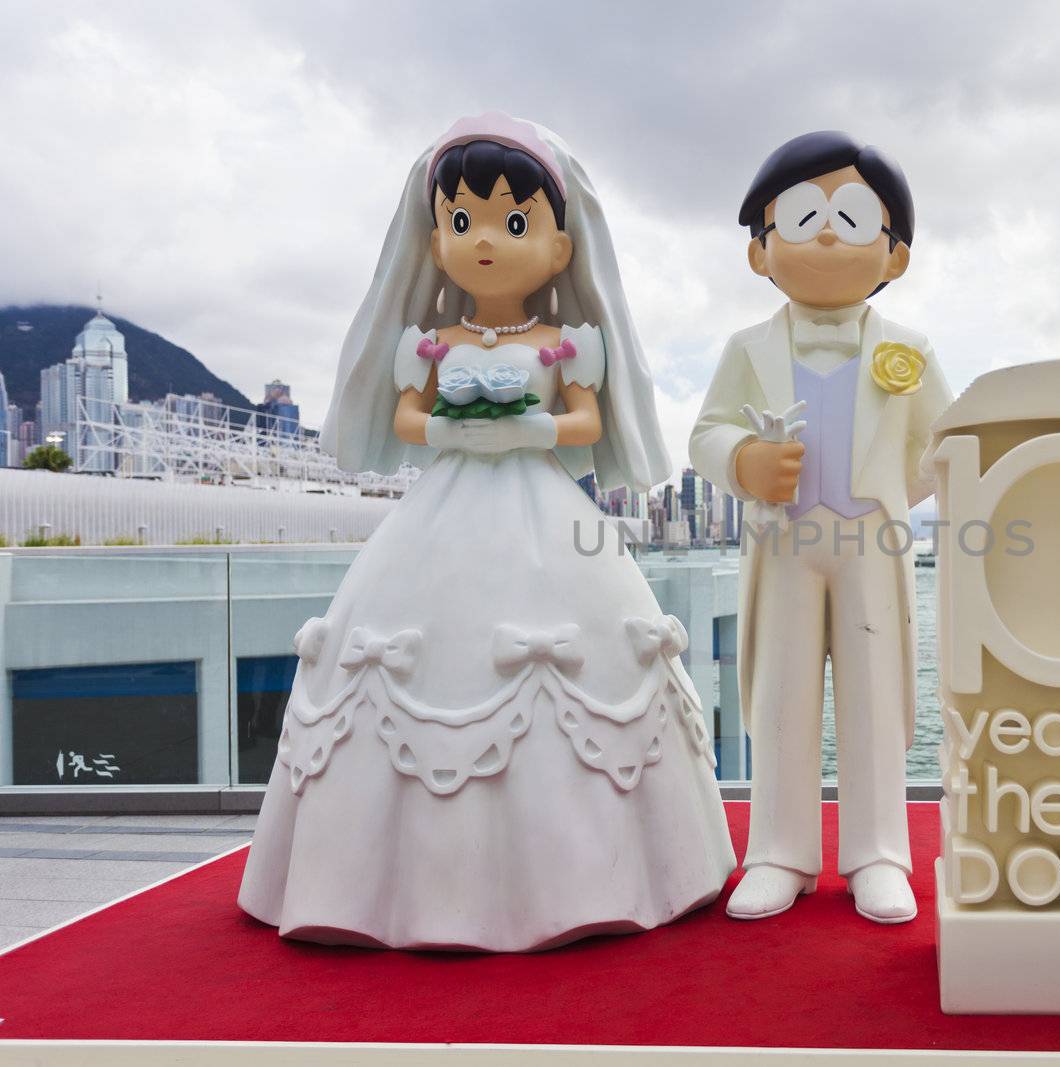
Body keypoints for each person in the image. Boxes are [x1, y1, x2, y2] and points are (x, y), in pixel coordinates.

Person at [238, 113, 735, 951]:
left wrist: (531, 434)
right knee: (414, 653)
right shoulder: (432, 342)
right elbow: (406, 413)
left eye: (513, 223)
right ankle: (379, 884)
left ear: (560, 250)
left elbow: (583, 422)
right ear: (435, 243)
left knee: (572, 668)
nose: (486, 244)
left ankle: (588, 877)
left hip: (543, 505)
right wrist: (442, 434)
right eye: (462, 222)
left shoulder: (563, 344)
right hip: (443, 503)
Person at [690, 131, 952, 923]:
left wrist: (891, 493)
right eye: (804, 217)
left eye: (851, 216)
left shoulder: (910, 349)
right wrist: (743, 461)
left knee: (877, 698)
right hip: (784, 545)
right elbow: (705, 433)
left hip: (871, 545)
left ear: (894, 254)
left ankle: (878, 851)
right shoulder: (748, 348)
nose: (830, 233)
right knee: (779, 694)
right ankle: (779, 848)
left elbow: (948, 444)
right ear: (761, 252)